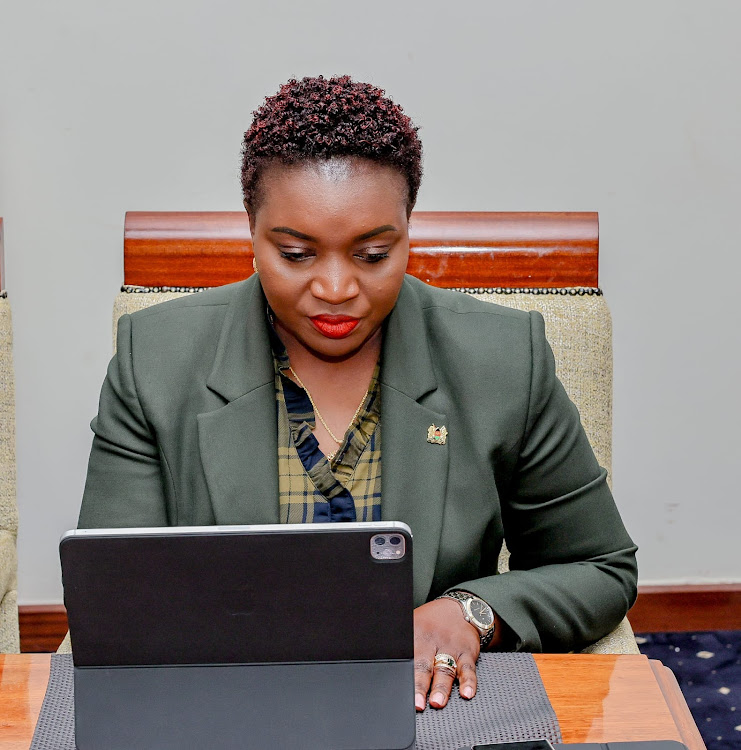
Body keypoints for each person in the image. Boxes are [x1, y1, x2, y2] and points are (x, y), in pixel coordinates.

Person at [79, 75, 638, 712]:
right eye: (296, 253)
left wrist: (472, 611)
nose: (337, 287)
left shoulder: (504, 359)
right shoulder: (154, 360)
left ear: (408, 232)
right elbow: (112, 597)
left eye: (373, 254)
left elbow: (601, 567)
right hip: (223, 705)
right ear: (252, 233)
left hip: (433, 710)